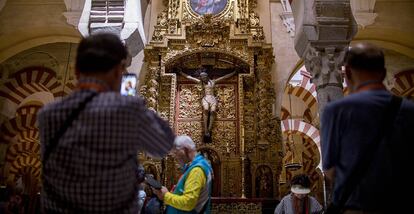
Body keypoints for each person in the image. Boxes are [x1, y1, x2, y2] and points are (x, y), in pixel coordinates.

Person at [37, 33, 175, 213]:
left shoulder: (48, 114)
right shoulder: (127, 109)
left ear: (76, 70)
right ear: (119, 72)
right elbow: (163, 144)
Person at [321, 43, 414, 213]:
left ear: (347, 73)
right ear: (384, 73)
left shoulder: (336, 111)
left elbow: (329, 170)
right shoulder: (410, 110)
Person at [153, 135, 213, 213]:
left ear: (185, 150)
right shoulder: (192, 166)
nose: (175, 156)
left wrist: (166, 196)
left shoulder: (197, 170)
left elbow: (188, 203)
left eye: (176, 152)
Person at [179, 68, 236, 139]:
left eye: (204, 77)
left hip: (212, 99)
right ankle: (205, 129)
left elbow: (224, 77)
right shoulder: (200, 82)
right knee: (206, 109)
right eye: (202, 78)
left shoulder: (213, 82)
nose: (203, 79)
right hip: (205, 98)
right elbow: (190, 78)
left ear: (207, 77)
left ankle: (209, 129)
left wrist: (234, 72)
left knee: (213, 111)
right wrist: (181, 73)